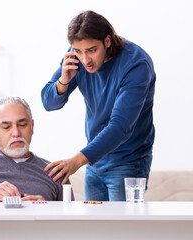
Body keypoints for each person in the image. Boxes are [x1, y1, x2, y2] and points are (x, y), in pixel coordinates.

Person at [41, 10, 156, 201]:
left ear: (107, 41)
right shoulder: (77, 58)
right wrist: (63, 80)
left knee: (121, 229)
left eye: (92, 50)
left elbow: (120, 127)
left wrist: (76, 161)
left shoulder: (136, 64)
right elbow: (48, 103)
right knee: (94, 228)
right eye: (78, 51)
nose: (85, 60)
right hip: (95, 161)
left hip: (128, 160)